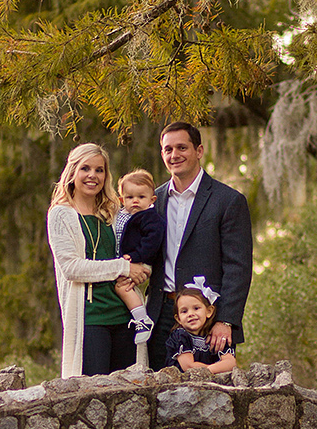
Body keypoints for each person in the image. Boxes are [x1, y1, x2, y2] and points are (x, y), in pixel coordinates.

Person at [144, 121, 253, 364]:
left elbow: (238, 267)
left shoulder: (228, 201)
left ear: (199, 151)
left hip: (208, 320)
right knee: (158, 394)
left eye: (182, 147)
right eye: (168, 149)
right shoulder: (153, 201)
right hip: (160, 314)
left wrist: (226, 321)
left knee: (209, 395)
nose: (174, 155)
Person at [47, 143, 151, 377]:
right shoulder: (61, 214)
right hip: (90, 318)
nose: (93, 175)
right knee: (93, 394)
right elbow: (71, 268)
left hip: (126, 315)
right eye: (86, 168)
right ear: (72, 172)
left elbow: (139, 246)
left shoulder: (114, 211)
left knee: (128, 395)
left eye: (100, 170)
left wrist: (141, 269)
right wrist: (123, 267)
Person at [110, 170, 163, 341]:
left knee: (122, 287)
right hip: (125, 261)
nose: (135, 201)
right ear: (121, 199)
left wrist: (135, 257)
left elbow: (152, 242)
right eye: (129, 197)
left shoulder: (150, 218)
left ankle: (142, 319)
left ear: (151, 200)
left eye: (141, 197)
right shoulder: (122, 215)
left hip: (140, 260)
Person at [166, 278, 237, 377]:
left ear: (209, 311)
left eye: (196, 308)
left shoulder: (215, 336)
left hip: (211, 383)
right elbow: (188, 366)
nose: (190, 314)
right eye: (184, 311)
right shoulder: (180, 336)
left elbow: (230, 363)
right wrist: (215, 369)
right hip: (183, 385)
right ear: (178, 319)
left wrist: (209, 370)